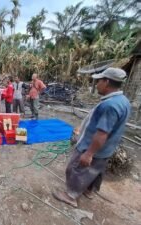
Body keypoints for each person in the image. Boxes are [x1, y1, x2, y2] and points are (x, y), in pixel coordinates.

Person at [53, 68, 131, 208]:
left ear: (106, 82)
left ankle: (71, 196)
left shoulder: (110, 105)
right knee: (95, 171)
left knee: (75, 169)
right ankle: (89, 191)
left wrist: (89, 153)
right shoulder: (123, 100)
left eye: (99, 81)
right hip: (107, 149)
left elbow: (102, 134)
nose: (96, 84)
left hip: (91, 147)